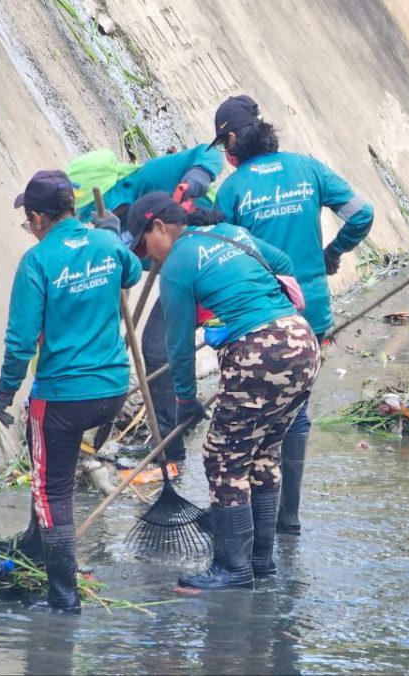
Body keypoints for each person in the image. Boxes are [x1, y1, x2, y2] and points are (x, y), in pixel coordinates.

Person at [127, 191, 320, 589]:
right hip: (301, 340)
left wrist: (185, 399)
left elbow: (177, 345)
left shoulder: (177, 264)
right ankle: (261, 561)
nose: (148, 258)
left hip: (259, 352)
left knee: (223, 458)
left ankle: (232, 569)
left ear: (159, 227)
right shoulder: (230, 233)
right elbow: (282, 264)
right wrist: (247, 308)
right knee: (262, 453)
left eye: (145, 246)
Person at [212, 94, 373, 535]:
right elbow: (362, 214)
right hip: (311, 316)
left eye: (223, 145)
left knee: (252, 417)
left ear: (232, 142)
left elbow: (224, 256)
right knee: (296, 408)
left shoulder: (232, 190)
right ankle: (289, 517)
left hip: (259, 319)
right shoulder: (308, 168)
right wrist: (332, 253)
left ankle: (252, 520)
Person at [0, 170, 142, 613]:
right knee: (51, 470)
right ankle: (36, 544)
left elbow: (20, 342)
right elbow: (132, 273)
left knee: (50, 488)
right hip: (112, 390)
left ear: (39, 219)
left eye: (29, 221)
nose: (30, 228)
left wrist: (4, 393)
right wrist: (115, 233)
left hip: (62, 395)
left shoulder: (37, 261)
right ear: (73, 208)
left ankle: (63, 598)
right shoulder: (106, 244)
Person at [72, 143, 225, 463]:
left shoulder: (149, 178)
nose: (90, 220)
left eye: (90, 212)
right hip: (179, 274)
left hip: (207, 261)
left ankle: (170, 442)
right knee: (158, 347)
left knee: (158, 347)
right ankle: (172, 438)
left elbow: (209, 152)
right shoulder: (109, 228)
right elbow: (120, 278)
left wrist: (196, 178)